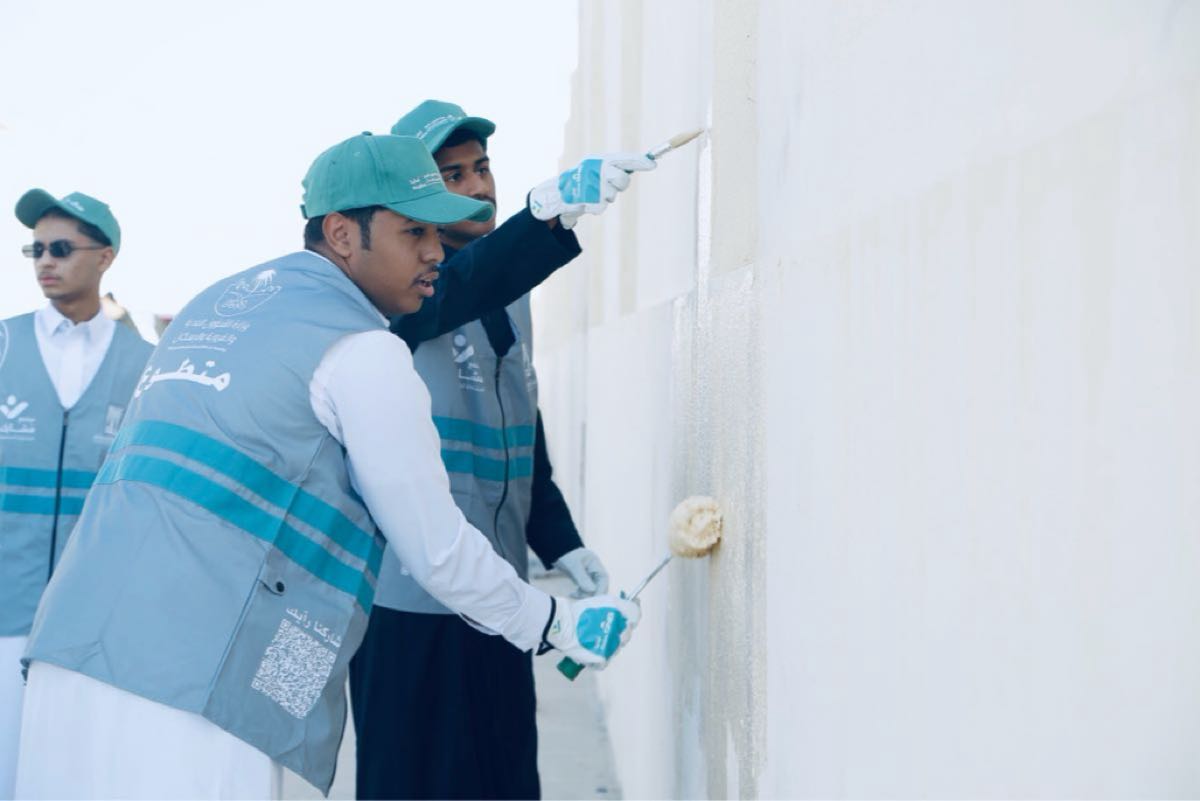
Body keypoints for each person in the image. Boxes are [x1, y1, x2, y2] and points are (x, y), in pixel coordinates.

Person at [13, 133, 642, 800]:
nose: (435, 250)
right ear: (342, 233)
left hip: (69, 658)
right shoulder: (361, 348)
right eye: (414, 231)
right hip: (189, 691)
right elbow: (436, 550)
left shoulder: (217, 306)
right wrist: (555, 623)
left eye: (438, 231)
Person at [350, 100, 633, 800]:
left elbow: (522, 438)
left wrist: (562, 546)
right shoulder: (398, 295)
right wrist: (545, 215)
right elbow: (458, 286)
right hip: (411, 605)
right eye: (452, 175)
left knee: (503, 779)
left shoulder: (510, 293)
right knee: (414, 784)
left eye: (482, 167)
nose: (478, 186)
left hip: (501, 596)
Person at [0, 190, 152, 800]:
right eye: (35, 249)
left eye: (61, 248)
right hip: (4, 610)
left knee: (74, 778)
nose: (45, 261)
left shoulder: (147, 364)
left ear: (105, 256)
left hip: (93, 620)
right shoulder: (3, 343)